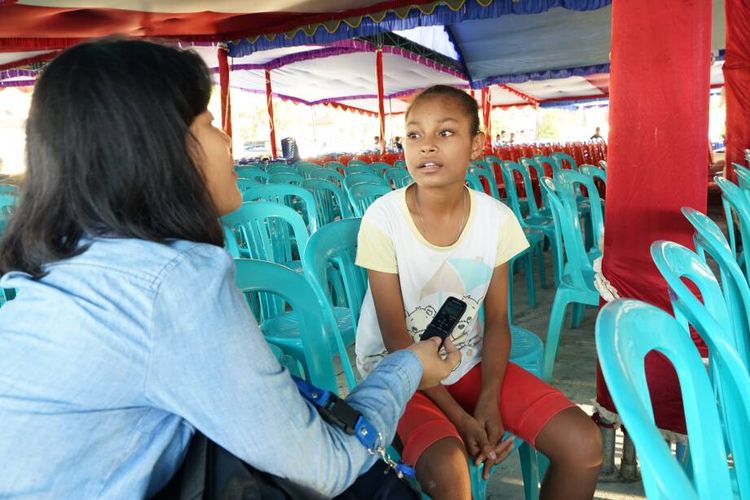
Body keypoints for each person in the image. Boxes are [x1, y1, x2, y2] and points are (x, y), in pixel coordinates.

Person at [0, 39, 461, 499]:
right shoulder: (172, 279)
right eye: (209, 124)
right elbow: (326, 464)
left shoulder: (67, 260)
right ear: (157, 150)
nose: (228, 142)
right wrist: (407, 368)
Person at [355, 85, 602, 499]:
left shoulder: (496, 220)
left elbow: (499, 321)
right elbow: (399, 341)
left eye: (446, 133)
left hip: (466, 365)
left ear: (477, 145)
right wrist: (459, 418)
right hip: (397, 373)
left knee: (583, 444)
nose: (426, 146)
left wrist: (488, 401)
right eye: (414, 135)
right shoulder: (383, 219)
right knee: (452, 474)